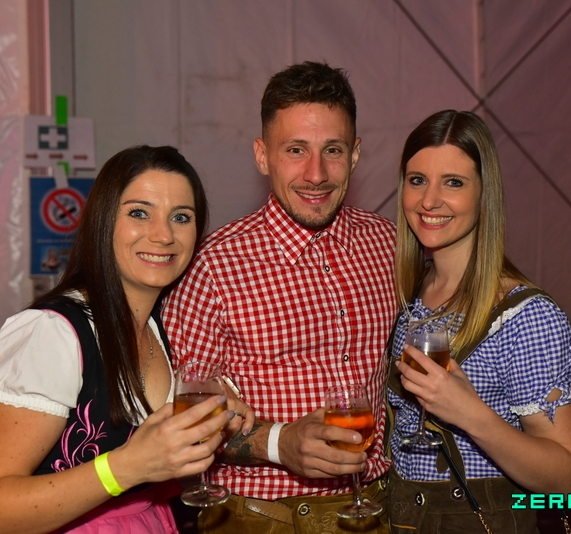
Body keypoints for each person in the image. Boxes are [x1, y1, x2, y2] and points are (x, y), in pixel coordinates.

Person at [0, 145, 253, 534]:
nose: (163, 235)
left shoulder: (162, 327)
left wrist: (203, 433)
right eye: (139, 213)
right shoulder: (52, 333)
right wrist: (126, 466)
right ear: (103, 222)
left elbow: (154, 476)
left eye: (181, 217)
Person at [162, 61, 397, 533]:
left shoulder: (387, 245)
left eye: (332, 150)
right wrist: (278, 442)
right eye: (295, 150)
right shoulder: (212, 266)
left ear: (354, 155)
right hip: (260, 518)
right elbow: (178, 416)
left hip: (376, 508)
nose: (316, 173)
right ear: (262, 155)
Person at [386, 110, 571, 532]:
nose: (429, 200)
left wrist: (471, 414)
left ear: (484, 194)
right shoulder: (408, 294)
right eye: (417, 180)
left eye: (453, 182)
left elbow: (568, 478)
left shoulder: (524, 315)